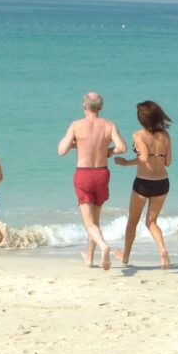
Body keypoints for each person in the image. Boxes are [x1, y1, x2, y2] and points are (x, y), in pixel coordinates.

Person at [57, 91, 126, 270]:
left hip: (84, 174)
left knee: (89, 223)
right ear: (100, 107)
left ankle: (103, 246)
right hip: (102, 174)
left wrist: (75, 145)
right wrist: (108, 152)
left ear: (84, 106)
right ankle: (89, 258)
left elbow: (61, 151)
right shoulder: (108, 125)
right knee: (95, 221)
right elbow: (122, 147)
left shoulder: (76, 125)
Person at [113, 100, 173, 269]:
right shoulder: (165, 135)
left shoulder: (138, 135)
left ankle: (125, 257)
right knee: (151, 222)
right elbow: (168, 162)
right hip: (162, 182)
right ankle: (162, 250)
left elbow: (144, 158)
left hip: (143, 183)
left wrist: (126, 162)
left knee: (132, 221)